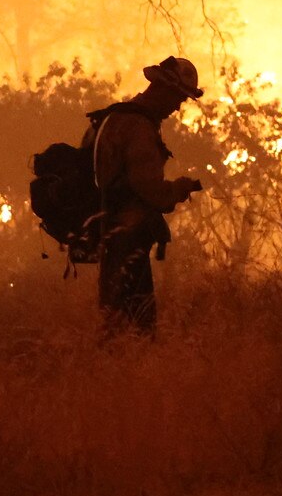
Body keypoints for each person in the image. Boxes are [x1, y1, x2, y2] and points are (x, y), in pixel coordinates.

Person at [86, 56, 206, 336]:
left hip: (110, 233)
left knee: (114, 320)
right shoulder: (139, 128)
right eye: (178, 98)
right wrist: (180, 188)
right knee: (138, 324)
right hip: (128, 238)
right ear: (163, 89)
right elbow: (151, 190)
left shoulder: (115, 118)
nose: (178, 106)